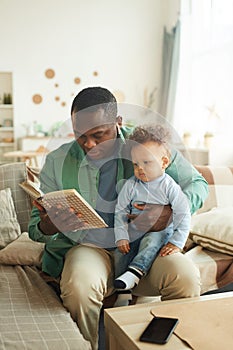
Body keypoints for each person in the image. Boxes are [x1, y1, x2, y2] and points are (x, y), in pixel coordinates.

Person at [28, 86, 208, 350]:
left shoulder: (147, 145)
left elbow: (197, 183)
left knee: (185, 277)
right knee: (80, 285)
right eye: (81, 136)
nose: (89, 144)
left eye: (99, 135)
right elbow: (36, 228)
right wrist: (50, 223)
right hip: (89, 247)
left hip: (144, 247)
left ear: (118, 123)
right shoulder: (57, 160)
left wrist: (168, 214)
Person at [113, 124, 191, 307]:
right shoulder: (131, 185)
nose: (140, 169)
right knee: (120, 252)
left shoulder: (169, 186)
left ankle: (135, 272)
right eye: (135, 164)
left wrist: (176, 242)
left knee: (151, 241)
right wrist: (122, 235)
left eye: (146, 162)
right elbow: (120, 211)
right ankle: (123, 292)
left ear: (164, 163)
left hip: (160, 230)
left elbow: (183, 213)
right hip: (134, 230)